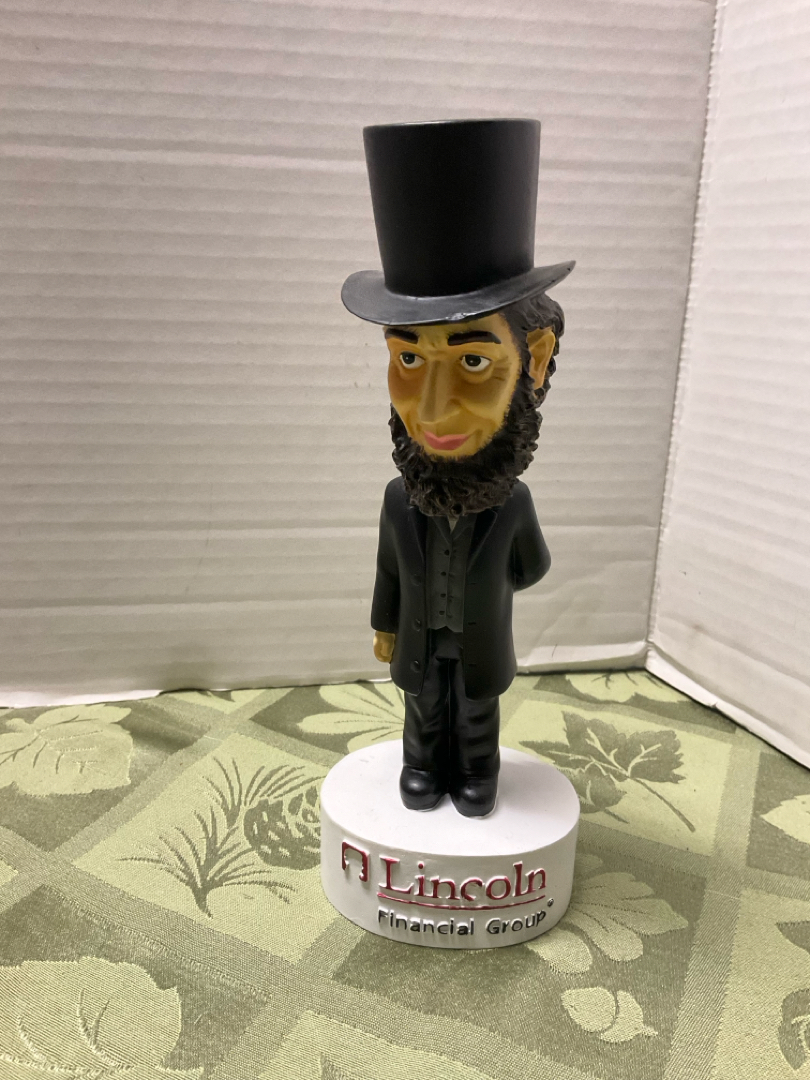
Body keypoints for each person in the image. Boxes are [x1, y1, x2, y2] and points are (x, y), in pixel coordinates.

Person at [341, 119, 573, 816]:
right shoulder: (398, 500)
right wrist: (385, 623)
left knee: (475, 714)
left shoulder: (513, 504)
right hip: (418, 644)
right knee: (422, 710)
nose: (433, 410)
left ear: (534, 358)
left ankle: (477, 773)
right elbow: (389, 569)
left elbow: (530, 568)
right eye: (409, 358)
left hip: (479, 649)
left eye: (473, 360)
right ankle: (421, 766)